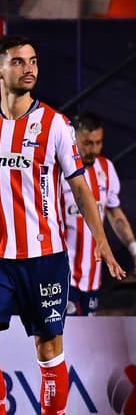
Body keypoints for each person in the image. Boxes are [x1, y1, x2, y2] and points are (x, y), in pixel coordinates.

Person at [0, 36, 125, 415]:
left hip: (45, 258)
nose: (28, 68)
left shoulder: (54, 124)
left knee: (48, 350)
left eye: (32, 61)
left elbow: (80, 187)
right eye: (18, 62)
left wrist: (103, 243)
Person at [62, 112, 136, 316]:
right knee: (64, 338)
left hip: (93, 276)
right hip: (61, 274)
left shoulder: (106, 168)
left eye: (98, 142)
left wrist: (134, 249)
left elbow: (116, 215)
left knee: (86, 338)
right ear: (74, 138)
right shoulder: (58, 169)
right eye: (87, 143)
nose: (93, 149)